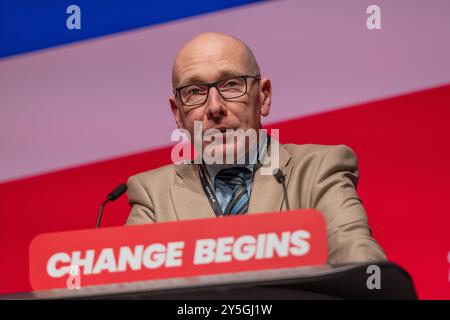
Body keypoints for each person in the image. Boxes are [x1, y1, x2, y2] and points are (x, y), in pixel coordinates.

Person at [126, 32, 386, 264]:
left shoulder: (318, 171)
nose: (215, 107)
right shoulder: (152, 195)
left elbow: (358, 258)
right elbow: (129, 287)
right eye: (195, 91)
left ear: (263, 97)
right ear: (177, 114)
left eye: (231, 84)